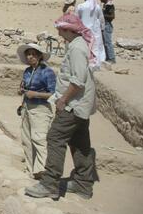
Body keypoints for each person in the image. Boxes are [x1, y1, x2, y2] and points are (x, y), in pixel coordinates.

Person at [25, 14, 98, 200]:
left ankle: (50, 183)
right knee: (79, 142)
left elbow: (78, 80)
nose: (57, 31)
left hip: (73, 104)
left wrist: (63, 99)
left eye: (59, 28)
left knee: (55, 137)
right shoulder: (76, 45)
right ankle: (83, 183)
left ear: (67, 29)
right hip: (80, 104)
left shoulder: (77, 48)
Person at [16, 43, 56, 178]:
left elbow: (54, 94)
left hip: (41, 109)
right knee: (27, 140)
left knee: (39, 139)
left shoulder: (47, 72)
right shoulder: (27, 71)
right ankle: (30, 169)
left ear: (39, 56)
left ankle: (43, 171)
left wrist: (36, 94)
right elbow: (25, 88)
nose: (30, 57)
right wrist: (22, 94)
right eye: (28, 54)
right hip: (27, 108)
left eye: (33, 54)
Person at [75, 0, 105, 69]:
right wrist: (102, 28)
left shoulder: (81, 6)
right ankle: (97, 64)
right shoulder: (97, 7)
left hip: (84, 30)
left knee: (85, 46)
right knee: (96, 47)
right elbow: (101, 19)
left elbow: (76, 18)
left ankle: (84, 63)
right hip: (95, 30)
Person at [100, 0, 116, 64]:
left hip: (107, 25)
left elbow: (112, 16)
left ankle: (112, 58)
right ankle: (107, 57)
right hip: (104, 25)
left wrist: (102, 15)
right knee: (105, 42)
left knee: (108, 42)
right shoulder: (105, 5)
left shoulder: (110, 6)